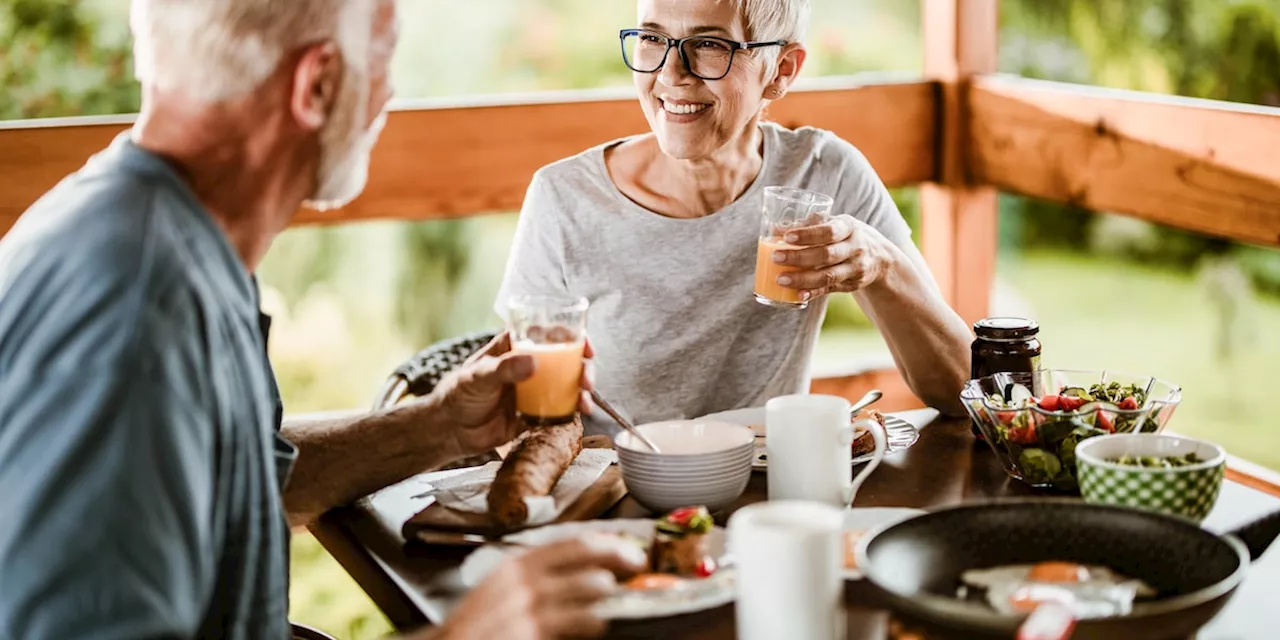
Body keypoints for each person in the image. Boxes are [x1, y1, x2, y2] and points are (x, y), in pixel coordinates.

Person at [0, 1, 642, 639]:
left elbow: (240, 484)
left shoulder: (172, 239)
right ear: (318, 84)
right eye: (385, 60)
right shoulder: (136, 307)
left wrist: (440, 426)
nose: (389, 94)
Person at [495, 0, 973, 435]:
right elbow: (520, 414)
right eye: (653, 39)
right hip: (621, 497)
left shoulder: (824, 172)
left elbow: (960, 390)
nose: (672, 73)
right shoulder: (565, 198)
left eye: (709, 44)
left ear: (781, 70)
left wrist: (883, 264)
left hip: (764, 490)